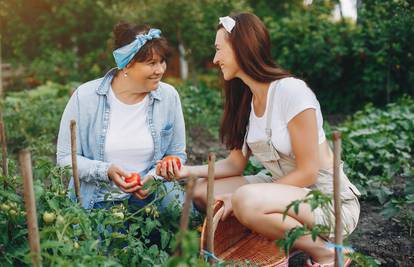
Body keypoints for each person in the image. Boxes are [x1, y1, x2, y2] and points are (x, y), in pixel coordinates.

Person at [156, 13, 360, 266]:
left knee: (244, 201)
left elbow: (308, 172)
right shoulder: (246, 100)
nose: (215, 59)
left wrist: (242, 198)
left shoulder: (291, 91)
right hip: (283, 190)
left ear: (242, 48)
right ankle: (281, 240)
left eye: (219, 50)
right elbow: (234, 164)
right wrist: (185, 171)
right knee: (202, 192)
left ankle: (327, 252)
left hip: (326, 200)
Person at [57, 22, 186, 212]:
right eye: (151, 63)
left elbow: (177, 154)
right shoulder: (85, 98)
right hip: (98, 201)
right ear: (126, 64)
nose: (160, 70)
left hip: (154, 198)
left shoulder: (168, 97)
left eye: (162, 61)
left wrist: (155, 176)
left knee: (186, 229)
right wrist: (106, 171)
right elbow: (65, 158)